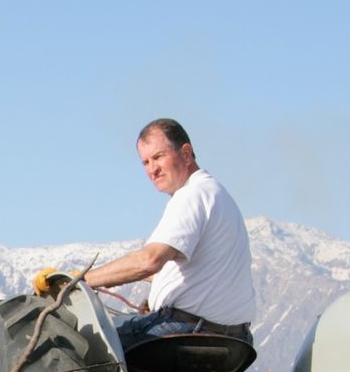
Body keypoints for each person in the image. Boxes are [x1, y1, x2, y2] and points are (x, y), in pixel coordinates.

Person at [74, 118, 255, 351]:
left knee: (87, 347)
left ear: (186, 154)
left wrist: (78, 281)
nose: (152, 169)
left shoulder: (192, 195)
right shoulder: (217, 195)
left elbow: (150, 260)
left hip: (190, 330)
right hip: (235, 339)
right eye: (145, 162)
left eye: (158, 157)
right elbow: (180, 268)